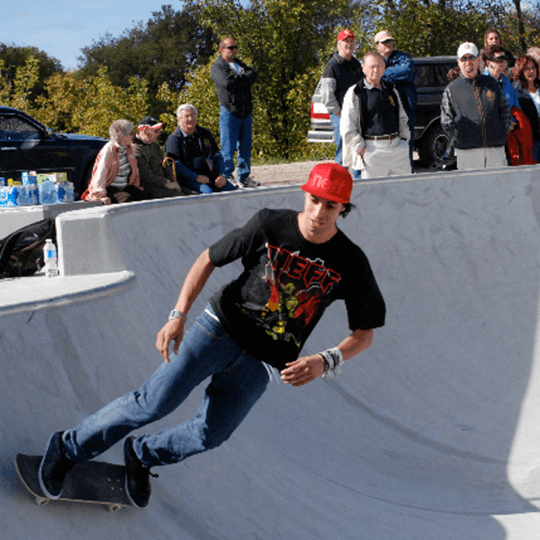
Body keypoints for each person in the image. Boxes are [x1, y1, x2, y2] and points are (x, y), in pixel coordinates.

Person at [37, 162, 386, 509]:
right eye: (314, 201)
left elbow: (364, 332)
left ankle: (142, 454)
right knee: (153, 401)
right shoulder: (270, 224)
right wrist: (178, 314)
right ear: (305, 196)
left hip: (263, 361)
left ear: (343, 209)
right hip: (219, 329)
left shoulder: (351, 262)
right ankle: (67, 447)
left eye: (330, 206)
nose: (319, 213)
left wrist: (325, 361)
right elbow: (209, 258)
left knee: (211, 434)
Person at [441, 42, 513, 170]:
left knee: (498, 188)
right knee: (471, 189)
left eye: (472, 57)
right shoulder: (452, 89)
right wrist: (461, 138)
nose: (468, 62)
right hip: (468, 153)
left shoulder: (491, 83)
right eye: (464, 58)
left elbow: (505, 111)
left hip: (495, 150)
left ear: (478, 60)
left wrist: (500, 133)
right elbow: (447, 121)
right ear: (458, 62)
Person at [340, 51, 411, 179]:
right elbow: (347, 126)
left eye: (379, 66)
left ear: (384, 68)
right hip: (372, 150)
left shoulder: (391, 90)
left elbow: (402, 118)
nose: (376, 70)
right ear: (363, 68)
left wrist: (404, 141)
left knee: (403, 192)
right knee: (374, 195)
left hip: (397, 148)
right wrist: (361, 149)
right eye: (372, 66)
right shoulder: (355, 92)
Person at [211, 37, 259, 189]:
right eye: (230, 48)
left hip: (245, 111)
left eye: (235, 47)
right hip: (229, 111)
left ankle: (244, 176)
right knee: (228, 146)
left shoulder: (239, 64)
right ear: (221, 49)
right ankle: (227, 175)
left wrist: (240, 78)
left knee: (245, 146)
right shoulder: (218, 66)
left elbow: (254, 74)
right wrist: (244, 80)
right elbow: (227, 83)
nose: (233, 50)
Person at [165, 104, 237, 195]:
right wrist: (196, 177)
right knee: (208, 195)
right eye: (186, 116)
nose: (190, 119)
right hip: (189, 180)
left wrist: (221, 175)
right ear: (179, 119)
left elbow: (216, 154)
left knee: (234, 193)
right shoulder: (173, 139)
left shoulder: (204, 134)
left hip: (212, 177)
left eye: (193, 115)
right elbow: (176, 165)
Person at [319, 29, 364, 177]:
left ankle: (359, 181)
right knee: (343, 149)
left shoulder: (356, 64)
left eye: (352, 41)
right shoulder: (332, 66)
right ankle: (340, 182)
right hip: (340, 115)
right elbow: (326, 96)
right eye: (346, 41)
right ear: (339, 44)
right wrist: (339, 112)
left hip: (357, 114)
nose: (349, 44)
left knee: (358, 147)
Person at [374, 30, 417, 167]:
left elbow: (407, 71)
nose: (389, 44)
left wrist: (382, 73)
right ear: (377, 45)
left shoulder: (402, 57)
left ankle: (407, 175)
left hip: (405, 108)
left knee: (405, 144)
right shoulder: (373, 59)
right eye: (385, 42)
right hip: (383, 110)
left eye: (390, 41)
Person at [81, 119, 148, 204]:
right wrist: (101, 196)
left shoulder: (129, 148)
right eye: (131, 133)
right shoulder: (109, 150)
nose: (133, 136)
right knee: (126, 199)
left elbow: (135, 170)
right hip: (110, 188)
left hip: (125, 187)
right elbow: (100, 174)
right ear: (123, 137)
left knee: (145, 197)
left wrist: (137, 186)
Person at [132, 116, 195, 199]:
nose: (159, 133)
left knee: (193, 195)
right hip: (148, 187)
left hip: (163, 184)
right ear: (145, 130)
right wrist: (166, 183)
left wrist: (172, 181)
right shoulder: (134, 148)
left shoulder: (154, 145)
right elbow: (146, 175)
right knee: (180, 198)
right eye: (155, 130)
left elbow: (165, 165)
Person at [513, 55, 540, 162]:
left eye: (533, 67)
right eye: (527, 68)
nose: (531, 71)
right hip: (529, 143)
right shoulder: (516, 91)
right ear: (521, 70)